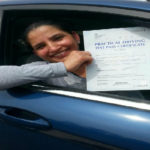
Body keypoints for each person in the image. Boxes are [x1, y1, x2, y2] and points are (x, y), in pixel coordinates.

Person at [0, 20, 93, 90]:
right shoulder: (43, 70)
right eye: (41, 46)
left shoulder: (103, 57)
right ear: (36, 53)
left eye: (57, 38)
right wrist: (63, 67)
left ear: (75, 37)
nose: (53, 48)